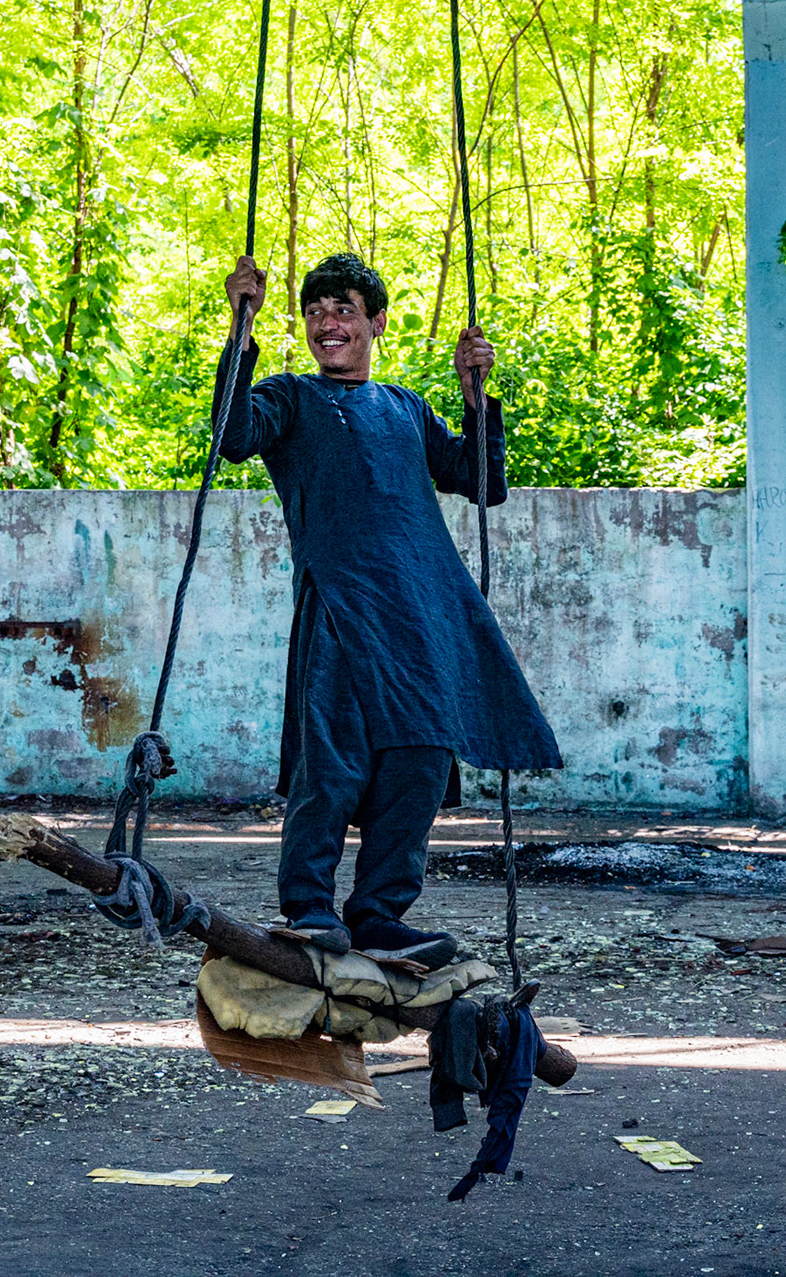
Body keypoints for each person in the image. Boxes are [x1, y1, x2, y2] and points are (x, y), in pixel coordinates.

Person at [215, 251, 561, 967]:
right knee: (331, 759)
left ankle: (377, 913)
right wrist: (240, 331)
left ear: (376, 322)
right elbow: (233, 436)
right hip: (340, 605)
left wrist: (475, 396)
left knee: (421, 759)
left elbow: (481, 482)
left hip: (422, 614)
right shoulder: (289, 398)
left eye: (343, 309)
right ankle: (309, 906)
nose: (327, 323)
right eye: (314, 312)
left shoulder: (406, 408)